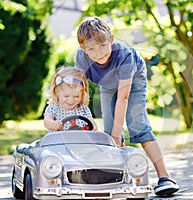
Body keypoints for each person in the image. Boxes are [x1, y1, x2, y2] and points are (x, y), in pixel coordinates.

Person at [75, 16, 179, 196]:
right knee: (109, 132)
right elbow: (80, 90)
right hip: (107, 84)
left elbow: (123, 97)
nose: (98, 53)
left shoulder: (124, 55)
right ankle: (121, 177)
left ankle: (165, 177)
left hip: (133, 81)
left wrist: (118, 132)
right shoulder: (82, 59)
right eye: (91, 49)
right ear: (83, 49)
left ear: (111, 39)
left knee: (138, 125)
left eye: (102, 46)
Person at [44, 66, 97, 132]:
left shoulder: (83, 108)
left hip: (79, 141)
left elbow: (93, 125)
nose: (71, 101)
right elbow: (47, 121)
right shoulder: (53, 107)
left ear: (82, 94)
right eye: (66, 96)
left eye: (76, 96)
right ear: (56, 92)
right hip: (58, 140)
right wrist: (53, 124)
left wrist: (92, 127)